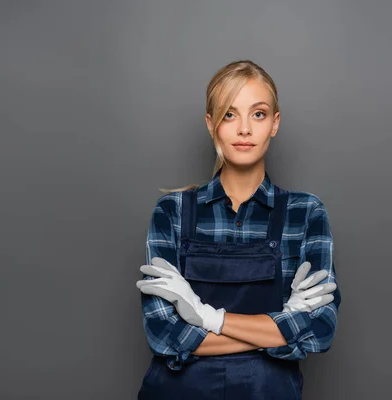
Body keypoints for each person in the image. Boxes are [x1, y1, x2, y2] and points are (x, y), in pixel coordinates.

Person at [135, 60, 342, 399]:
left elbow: (320, 330)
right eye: (229, 115)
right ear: (211, 124)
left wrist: (206, 318)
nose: (244, 129)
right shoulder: (172, 211)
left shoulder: (305, 213)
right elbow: (163, 334)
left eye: (258, 114)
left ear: (274, 123)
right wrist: (281, 326)